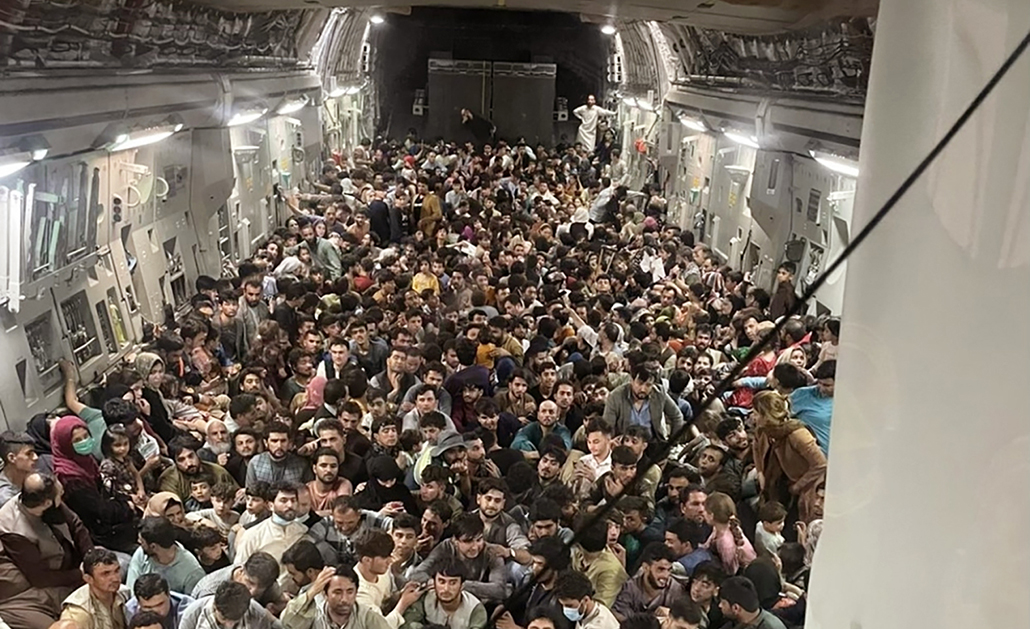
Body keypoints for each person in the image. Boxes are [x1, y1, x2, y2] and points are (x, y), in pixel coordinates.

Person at [0, 473, 92, 629]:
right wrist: (81, 574)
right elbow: (40, 578)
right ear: (47, 503)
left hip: (70, 567)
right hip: (32, 590)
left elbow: (77, 526)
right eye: (60, 495)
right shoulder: (13, 530)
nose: (62, 498)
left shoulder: (47, 500)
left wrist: (91, 560)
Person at [50, 416, 138, 554]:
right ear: (66, 444)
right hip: (97, 532)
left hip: (110, 517)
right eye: (77, 440)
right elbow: (98, 510)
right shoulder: (70, 477)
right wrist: (126, 507)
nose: (84, 442)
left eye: (86, 436)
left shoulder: (87, 460)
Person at [751, 390, 827, 523]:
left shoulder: (798, 435)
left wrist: (797, 486)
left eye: (756, 413)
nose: (752, 416)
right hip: (775, 483)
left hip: (800, 487)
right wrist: (760, 472)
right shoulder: (762, 430)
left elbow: (820, 464)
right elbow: (756, 448)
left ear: (766, 416)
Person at [409, 514, 508, 604]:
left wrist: (461, 585)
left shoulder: (493, 552)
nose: (475, 547)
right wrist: (437, 584)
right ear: (455, 541)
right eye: (468, 541)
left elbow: (499, 589)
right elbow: (417, 574)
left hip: (479, 602)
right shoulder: (446, 547)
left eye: (479, 540)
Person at [280, 564, 391, 629]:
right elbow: (287, 621)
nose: (344, 599)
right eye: (337, 592)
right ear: (325, 594)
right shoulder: (314, 614)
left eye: (350, 592)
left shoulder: (368, 618)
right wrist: (313, 591)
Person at [602, 364, 684, 451]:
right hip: (626, 446)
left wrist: (672, 442)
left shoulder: (659, 394)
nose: (643, 389)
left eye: (648, 385)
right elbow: (607, 428)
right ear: (632, 380)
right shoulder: (616, 397)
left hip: (651, 444)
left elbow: (677, 416)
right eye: (640, 384)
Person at [233, 481, 308, 568]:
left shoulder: (303, 531)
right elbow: (239, 569)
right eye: (283, 500)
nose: (290, 505)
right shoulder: (252, 536)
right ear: (270, 506)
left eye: (293, 500)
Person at [127, 517, 205, 594]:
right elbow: (132, 589)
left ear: (153, 546)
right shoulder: (141, 553)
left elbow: (192, 603)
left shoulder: (192, 572)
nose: (138, 542)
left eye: (142, 541)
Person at [400, 560, 487, 629]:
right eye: (441, 582)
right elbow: (408, 624)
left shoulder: (475, 610)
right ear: (433, 583)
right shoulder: (425, 599)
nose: (446, 589)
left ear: (462, 586)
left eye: (452, 583)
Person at [611, 543, 687, 621]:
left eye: (669, 570)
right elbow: (618, 614)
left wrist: (672, 614)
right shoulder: (630, 588)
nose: (666, 575)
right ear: (646, 567)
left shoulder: (676, 590)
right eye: (660, 569)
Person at [59, 549, 131, 629]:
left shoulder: (125, 594)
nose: (115, 578)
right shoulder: (77, 613)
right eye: (106, 574)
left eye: (116, 571)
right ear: (88, 579)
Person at [158, 437, 238, 502]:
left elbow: (235, 495)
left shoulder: (218, 471)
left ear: (197, 454)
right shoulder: (169, 479)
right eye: (181, 460)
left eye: (191, 456)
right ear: (175, 462)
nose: (189, 463)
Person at [178, 581, 278, 629]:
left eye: (235, 621)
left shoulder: (258, 616)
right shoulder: (192, 616)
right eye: (223, 619)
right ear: (215, 606)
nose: (229, 626)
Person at [788, 361, 836, 456]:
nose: (821, 388)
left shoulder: (848, 402)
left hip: (834, 459)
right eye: (819, 383)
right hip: (803, 458)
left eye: (827, 385)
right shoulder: (801, 394)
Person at [246, 422, 312, 486]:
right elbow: (250, 492)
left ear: (289, 442)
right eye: (274, 441)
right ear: (265, 442)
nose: (279, 445)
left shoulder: (301, 464)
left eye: (283, 441)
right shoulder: (255, 463)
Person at [125, 574, 195, 629]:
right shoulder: (129, 611)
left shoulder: (189, 610)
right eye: (148, 607)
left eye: (160, 604)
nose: (155, 611)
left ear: (168, 595)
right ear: (139, 603)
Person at [554, 570, 619, 629]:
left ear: (585, 600)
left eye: (570, 606)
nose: (565, 610)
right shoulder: (585, 614)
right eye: (563, 605)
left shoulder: (599, 625)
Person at [716, 577, 786, 629]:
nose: (720, 606)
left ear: (736, 608)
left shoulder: (771, 627)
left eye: (723, 603)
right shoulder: (736, 622)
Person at [0, 433, 38, 507]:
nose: (35, 457)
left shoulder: (29, 475)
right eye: (29, 454)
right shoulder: (5, 497)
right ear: (11, 458)